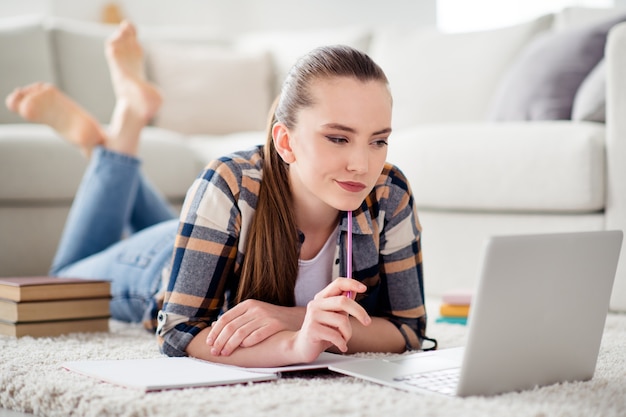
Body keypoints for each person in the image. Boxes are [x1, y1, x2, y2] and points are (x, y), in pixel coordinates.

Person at [5, 21, 434, 367]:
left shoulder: (388, 193)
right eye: (338, 139)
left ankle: (108, 141)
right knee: (59, 279)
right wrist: (293, 347)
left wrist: (295, 319)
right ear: (285, 143)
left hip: (210, 231)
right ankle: (122, 132)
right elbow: (179, 330)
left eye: (378, 140)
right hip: (158, 265)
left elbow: (408, 329)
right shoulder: (229, 182)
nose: (362, 163)